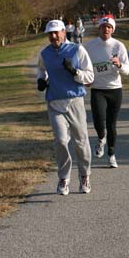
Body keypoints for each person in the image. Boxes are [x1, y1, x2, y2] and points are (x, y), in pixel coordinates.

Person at [37, 19, 94, 196]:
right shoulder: (44, 53)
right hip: (55, 102)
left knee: (80, 141)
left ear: (64, 32)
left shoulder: (77, 50)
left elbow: (90, 77)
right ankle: (63, 177)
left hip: (74, 100)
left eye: (56, 33)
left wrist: (74, 72)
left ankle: (84, 175)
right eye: (50, 34)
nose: (53, 36)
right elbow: (42, 70)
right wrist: (41, 80)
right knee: (61, 140)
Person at [85, 17, 129, 168]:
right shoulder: (89, 46)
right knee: (98, 120)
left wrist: (119, 65)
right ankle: (100, 138)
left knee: (112, 124)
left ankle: (111, 154)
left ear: (113, 29)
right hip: (98, 89)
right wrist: (86, 78)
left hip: (114, 89)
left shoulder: (118, 46)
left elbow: (127, 70)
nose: (106, 29)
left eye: (109, 27)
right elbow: (81, 63)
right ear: (99, 29)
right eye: (103, 27)